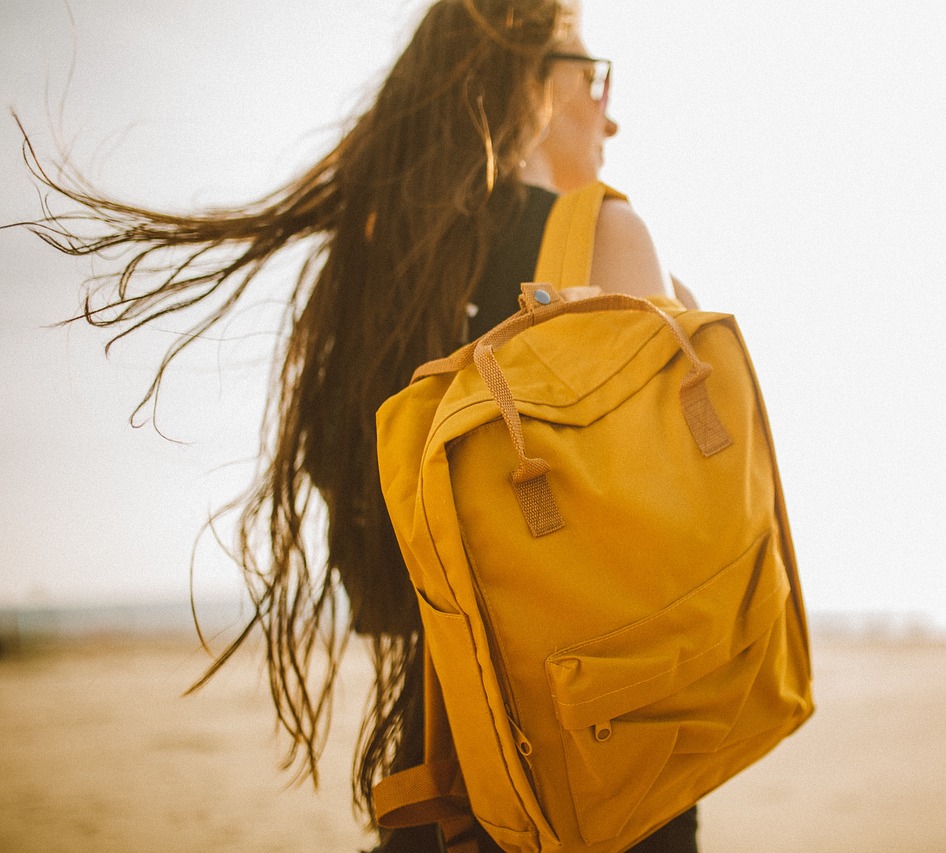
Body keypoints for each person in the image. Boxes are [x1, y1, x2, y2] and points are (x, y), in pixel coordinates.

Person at [13, 1, 699, 849]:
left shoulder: (380, 273)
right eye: (590, 75)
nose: (610, 109)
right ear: (524, 80)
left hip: (432, 755)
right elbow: (670, 544)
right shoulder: (609, 235)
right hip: (599, 752)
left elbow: (373, 567)